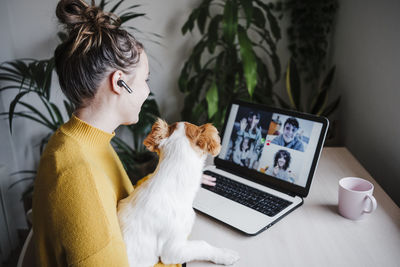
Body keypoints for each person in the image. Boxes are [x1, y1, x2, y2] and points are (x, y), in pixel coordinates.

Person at [32, 1, 213, 266]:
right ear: (119, 83)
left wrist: (179, 178)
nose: (147, 92)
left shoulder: (79, 142)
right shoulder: (80, 175)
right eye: (145, 80)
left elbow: (124, 204)